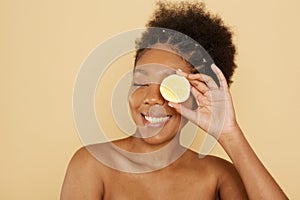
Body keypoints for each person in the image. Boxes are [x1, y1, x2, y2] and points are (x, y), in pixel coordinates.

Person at [61, 1, 288, 199]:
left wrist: (229, 134)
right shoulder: (92, 165)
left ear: (198, 95)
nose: (151, 98)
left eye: (170, 86)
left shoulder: (217, 176)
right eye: (140, 83)